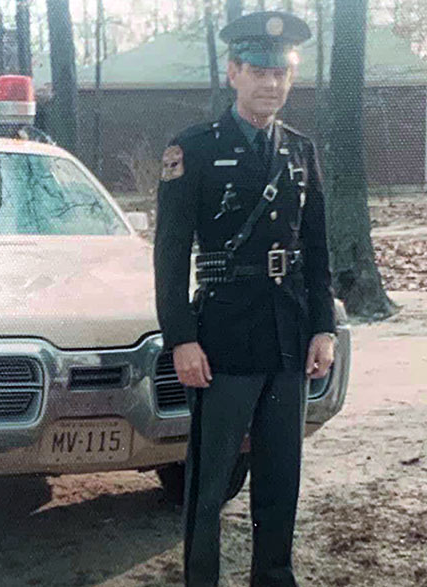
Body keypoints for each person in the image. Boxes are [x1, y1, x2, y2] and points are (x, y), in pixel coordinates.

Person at [153, 10, 336, 587]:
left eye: (282, 73)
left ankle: (274, 577)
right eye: (259, 71)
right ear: (233, 73)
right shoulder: (195, 149)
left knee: (282, 475)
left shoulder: (300, 151)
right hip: (224, 337)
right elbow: (169, 254)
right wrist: (181, 338)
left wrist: (323, 328)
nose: (272, 84)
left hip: (287, 338)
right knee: (211, 481)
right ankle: (202, 578)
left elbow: (318, 248)